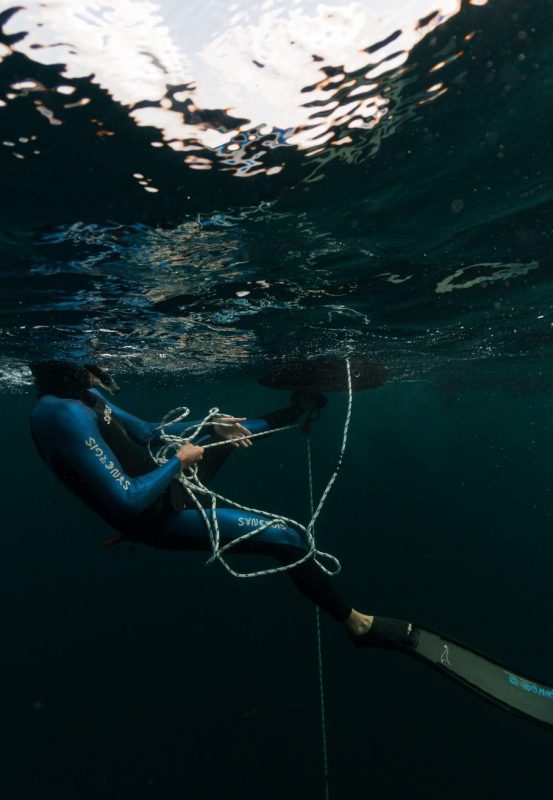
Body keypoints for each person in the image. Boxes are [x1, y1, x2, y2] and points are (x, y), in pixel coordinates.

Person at [29, 360, 417, 649]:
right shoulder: (63, 415)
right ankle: (358, 626)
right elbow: (128, 500)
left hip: (167, 483)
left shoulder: (82, 395)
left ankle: (299, 408)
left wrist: (210, 425)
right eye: (89, 364)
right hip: (157, 515)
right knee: (289, 537)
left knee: (229, 431)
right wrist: (179, 462)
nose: (98, 370)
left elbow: (147, 431)